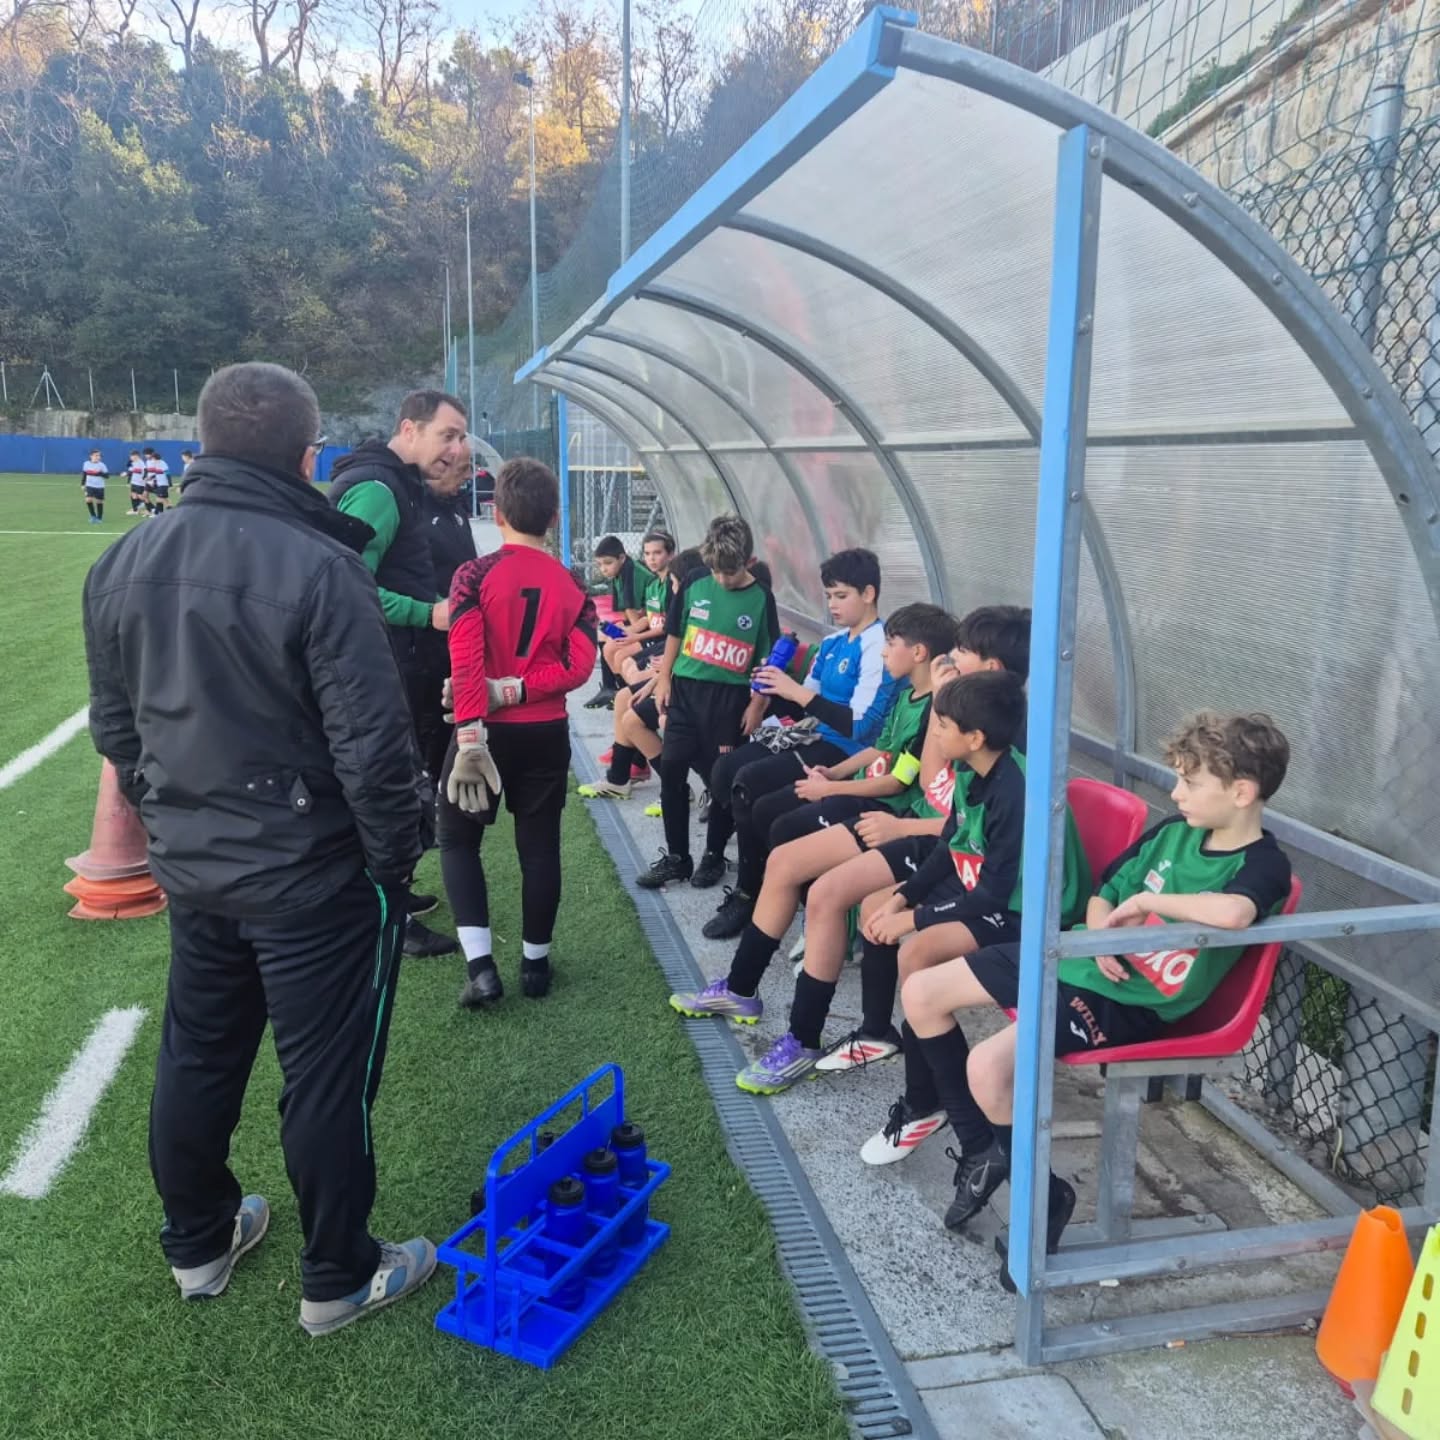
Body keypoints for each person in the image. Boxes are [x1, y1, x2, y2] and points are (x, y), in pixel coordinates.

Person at [82, 361, 435, 1337]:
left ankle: (198, 1242)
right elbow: (374, 748)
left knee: (198, 1056)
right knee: (322, 1076)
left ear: (200, 446)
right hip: (306, 876)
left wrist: (173, 824)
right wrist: (390, 863)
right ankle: (337, 1274)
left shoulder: (122, 560)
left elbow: (117, 738)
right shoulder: (322, 567)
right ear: (308, 458)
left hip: (198, 868)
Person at [903, 711, 1292, 1270]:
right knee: (921, 993)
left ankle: (1045, 1201)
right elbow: (1104, 893)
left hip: (1128, 1001)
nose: (1176, 792)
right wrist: (1104, 933)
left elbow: (1234, 913)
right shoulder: (1173, 832)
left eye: (1190, 781)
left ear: (1242, 792)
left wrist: (1149, 902)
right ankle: (981, 1150)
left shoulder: (1264, 863)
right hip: (1079, 956)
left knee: (987, 1068)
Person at [666, 604, 957, 1078]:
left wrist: (834, 790)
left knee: (822, 889)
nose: (884, 652)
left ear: (919, 652)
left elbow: (907, 782)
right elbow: (883, 749)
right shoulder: (910, 694)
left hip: (897, 817)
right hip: (893, 815)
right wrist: (835, 773)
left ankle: (804, 1036)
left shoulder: (947, 712)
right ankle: (740, 989)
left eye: (891, 644)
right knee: (783, 858)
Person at [441, 458, 598, 1008]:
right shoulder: (572, 585)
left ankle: (482, 969)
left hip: (482, 735)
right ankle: (535, 965)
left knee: (457, 840)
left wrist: (470, 733)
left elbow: (466, 658)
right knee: (540, 847)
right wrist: (516, 689)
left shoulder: (473, 574)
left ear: (498, 513)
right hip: (545, 731)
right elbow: (580, 668)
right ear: (553, 517)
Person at [328, 389, 470, 958]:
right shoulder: (379, 489)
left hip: (399, 661)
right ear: (409, 429)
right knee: (391, 789)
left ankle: (395, 898)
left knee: (405, 784)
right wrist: (425, 612)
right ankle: (388, 918)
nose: (456, 449)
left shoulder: (396, 484)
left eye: (461, 437)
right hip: (385, 665)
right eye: (447, 435)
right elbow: (345, 586)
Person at [696, 548, 898, 940]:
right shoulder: (834, 642)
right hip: (814, 734)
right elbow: (808, 699)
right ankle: (723, 861)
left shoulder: (879, 644)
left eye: (841, 595)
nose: (832, 604)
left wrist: (794, 692)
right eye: (829, 596)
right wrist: (772, 683)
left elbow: (860, 726)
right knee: (726, 771)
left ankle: (750, 893)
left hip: (847, 751)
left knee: (749, 786)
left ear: (869, 593)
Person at [636, 514, 777, 888]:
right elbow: (675, 632)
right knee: (672, 771)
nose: (722, 579)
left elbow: (768, 659)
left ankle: (713, 855)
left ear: (748, 562)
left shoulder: (761, 598)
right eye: (716, 571)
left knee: (721, 781)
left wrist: (757, 704)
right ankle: (677, 858)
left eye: (730, 573)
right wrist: (663, 679)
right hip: (685, 693)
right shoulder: (696, 581)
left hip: (729, 702)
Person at [416, 447, 478, 783]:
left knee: (454, 717)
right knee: (430, 719)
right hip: (428, 636)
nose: (468, 477)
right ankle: (428, 788)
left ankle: (444, 782)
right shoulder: (416, 512)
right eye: (463, 469)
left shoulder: (455, 507)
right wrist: (436, 606)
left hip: (460, 633)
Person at [582, 534, 648, 708]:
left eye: (608, 563)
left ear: (622, 558)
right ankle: (609, 688)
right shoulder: (620, 572)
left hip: (646, 627)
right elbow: (625, 613)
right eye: (600, 564)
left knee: (612, 645)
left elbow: (634, 616)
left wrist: (625, 632)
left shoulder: (631, 574)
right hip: (638, 622)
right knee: (604, 631)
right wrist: (618, 627)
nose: (603, 569)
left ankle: (622, 690)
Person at [81, 447, 108, 525]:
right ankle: (93, 516)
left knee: (99, 501)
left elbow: (107, 476)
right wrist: (82, 484)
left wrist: (99, 473)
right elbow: (84, 474)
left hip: (99, 486)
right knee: (88, 500)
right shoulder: (86, 464)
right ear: (91, 456)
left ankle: (99, 518)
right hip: (89, 485)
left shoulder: (102, 465)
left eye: (99, 455)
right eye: (96, 455)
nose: (98, 457)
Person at [126, 450, 147, 516]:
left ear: (136, 456)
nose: (130, 457)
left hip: (140, 483)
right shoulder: (133, 463)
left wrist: (143, 479)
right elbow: (130, 472)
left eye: (131, 456)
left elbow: (145, 471)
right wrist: (128, 481)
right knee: (133, 495)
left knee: (140, 496)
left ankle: (150, 508)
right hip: (134, 482)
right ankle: (135, 511)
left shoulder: (141, 462)